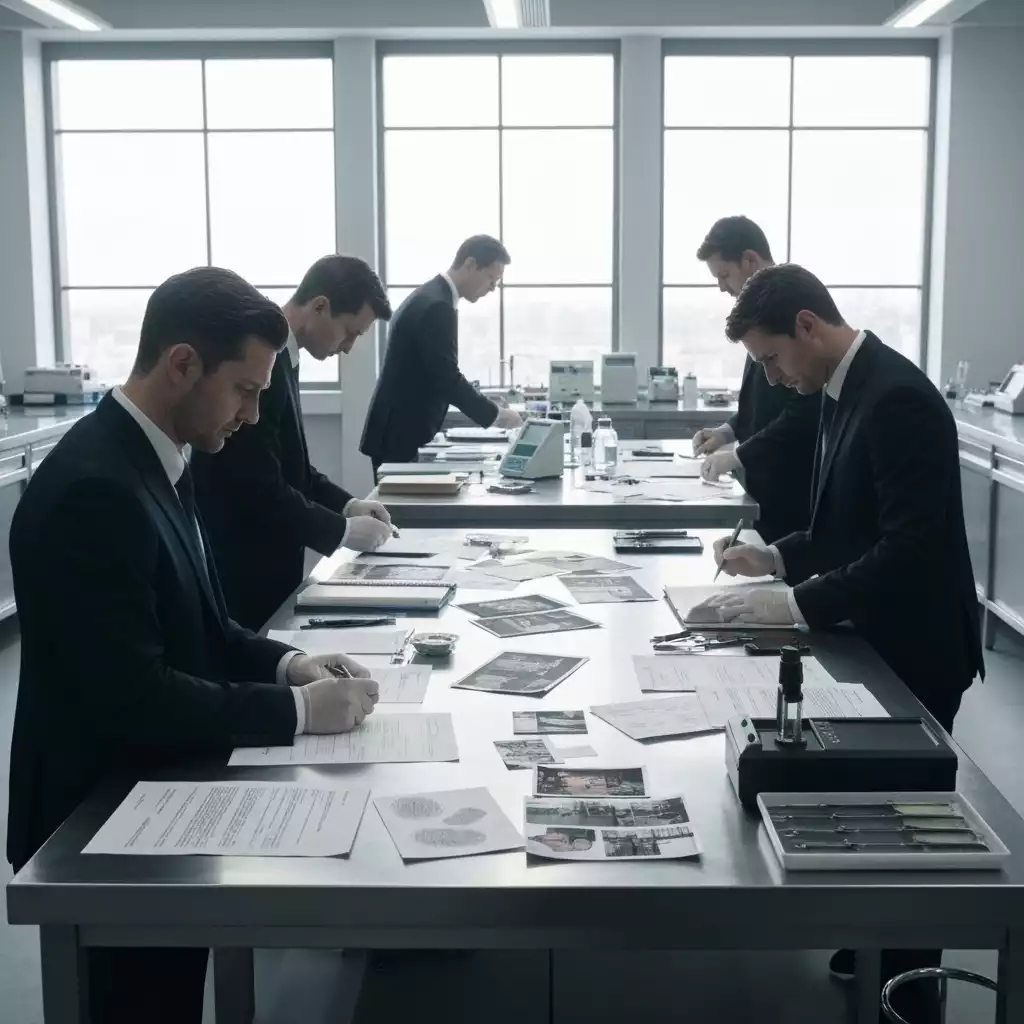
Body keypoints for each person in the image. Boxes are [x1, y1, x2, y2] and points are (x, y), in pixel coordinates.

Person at [7, 267, 379, 1024]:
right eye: (243, 390)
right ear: (182, 364)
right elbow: (133, 698)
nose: (251, 415)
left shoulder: (161, 455)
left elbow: (206, 623)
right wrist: (300, 712)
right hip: (95, 819)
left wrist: (288, 662)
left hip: (156, 791)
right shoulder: (95, 488)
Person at [693, 264, 984, 1023]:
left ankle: (914, 989)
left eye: (770, 359)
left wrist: (792, 602)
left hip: (918, 641)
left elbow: (910, 550)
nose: (771, 376)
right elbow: (841, 525)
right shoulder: (838, 389)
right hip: (873, 631)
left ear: (807, 327)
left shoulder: (897, 399)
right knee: (869, 799)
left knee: (914, 825)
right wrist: (779, 557)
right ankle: (872, 937)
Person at [192, 255, 395, 631]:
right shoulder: (263, 366)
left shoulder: (288, 357)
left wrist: (349, 505)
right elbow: (256, 485)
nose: (348, 347)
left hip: (265, 563)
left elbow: (292, 466)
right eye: (350, 332)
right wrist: (342, 531)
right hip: (241, 567)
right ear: (320, 306)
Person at [690, 216, 819, 543]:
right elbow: (765, 397)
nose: (721, 286)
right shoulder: (757, 314)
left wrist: (738, 455)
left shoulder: (790, 310)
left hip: (791, 483)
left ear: (750, 260)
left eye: (724, 274)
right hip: (765, 483)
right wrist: (727, 431)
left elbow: (803, 411)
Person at [359, 234, 524, 474]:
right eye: (491, 278)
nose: (492, 288)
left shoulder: (433, 295)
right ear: (470, 265)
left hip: (397, 430)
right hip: (401, 434)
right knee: (403, 510)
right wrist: (496, 415)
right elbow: (446, 377)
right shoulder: (438, 306)